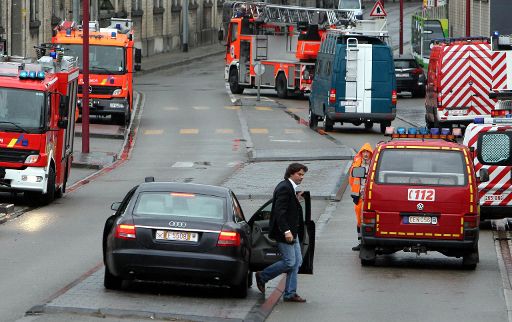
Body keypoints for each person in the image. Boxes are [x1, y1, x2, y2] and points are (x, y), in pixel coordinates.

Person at [255, 163, 308, 303]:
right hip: (285, 233)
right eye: (299, 174)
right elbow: (279, 212)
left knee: (297, 262)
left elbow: (287, 208)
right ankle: (263, 276)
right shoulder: (284, 188)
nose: (301, 177)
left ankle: (290, 293)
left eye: (303, 175)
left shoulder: (289, 187)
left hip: (292, 232)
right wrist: (287, 231)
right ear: (291, 173)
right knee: (290, 262)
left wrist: (296, 201)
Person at [349, 143, 373, 251]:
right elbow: (352, 180)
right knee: (359, 220)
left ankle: (370, 241)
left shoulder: (374, 164)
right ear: (361, 153)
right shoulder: (357, 165)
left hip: (371, 196)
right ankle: (360, 242)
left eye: (367, 152)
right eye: (364, 152)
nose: (366, 154)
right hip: (359, 197)